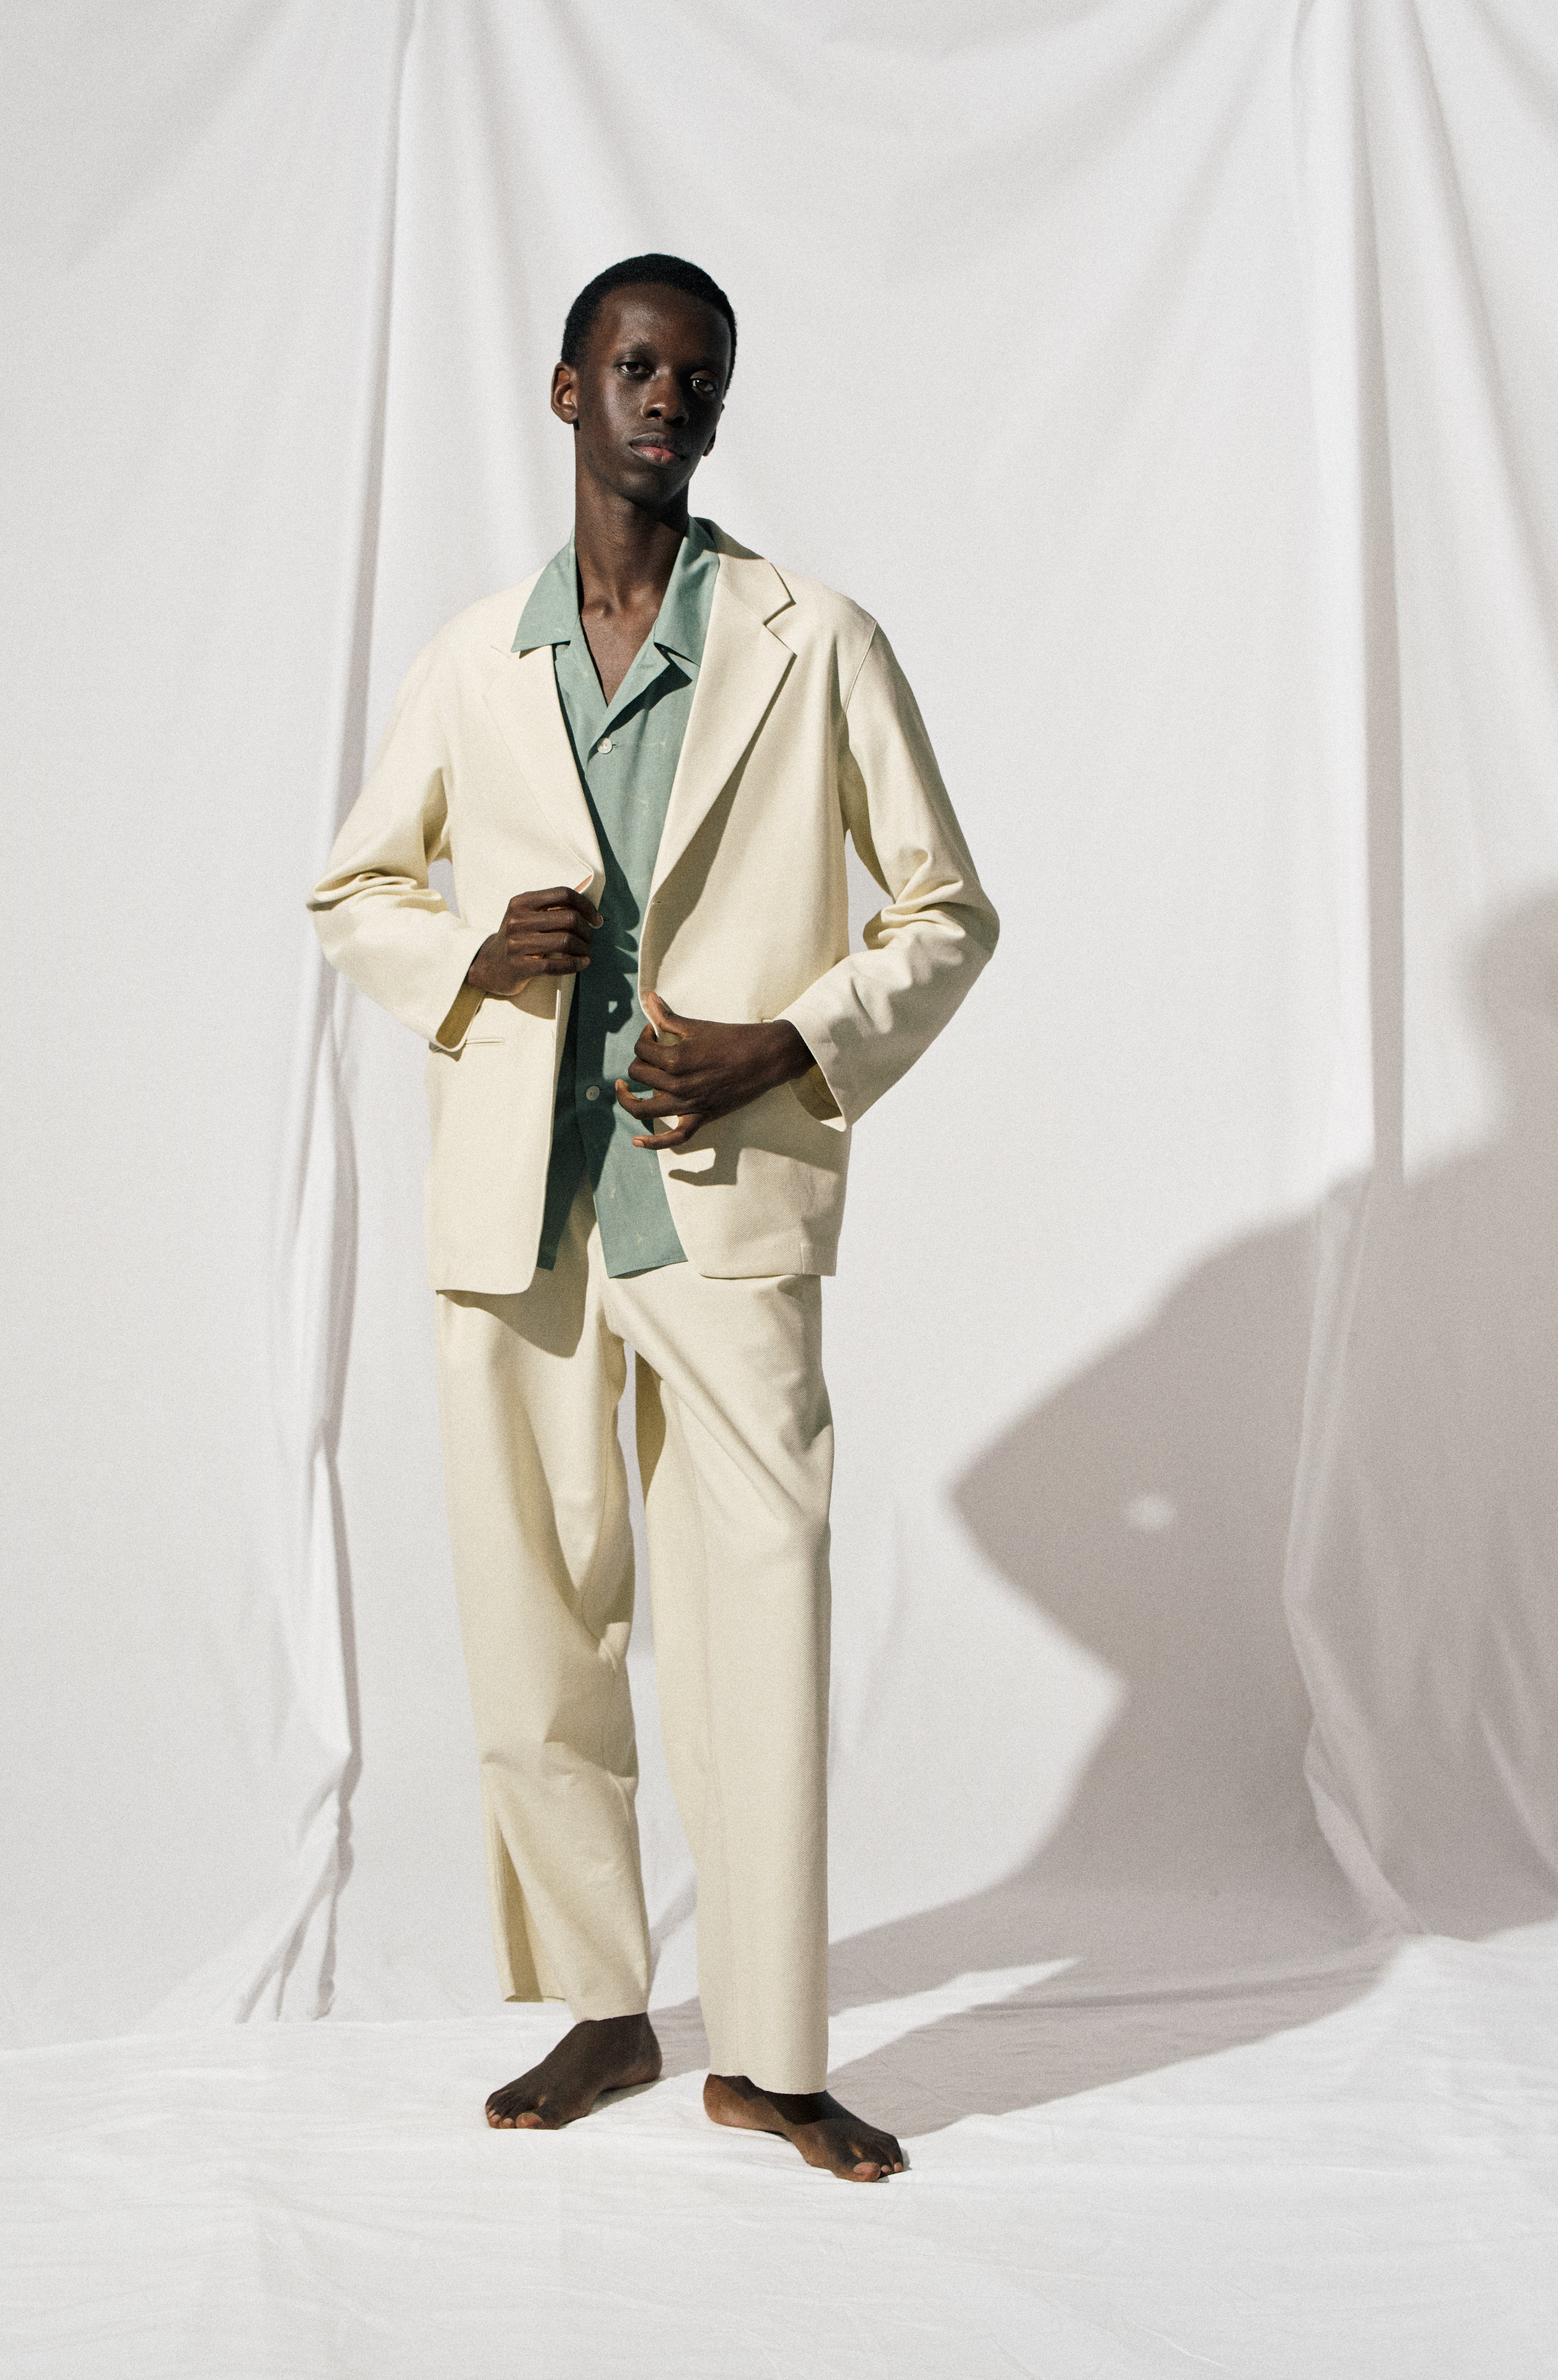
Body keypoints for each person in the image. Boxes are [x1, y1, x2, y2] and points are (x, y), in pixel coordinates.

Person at [308, 253, 997, 2181]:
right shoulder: (476, 659)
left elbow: (946, 910)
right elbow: (351, 891)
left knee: (757, 1614)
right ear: (568, 391)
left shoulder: (815, 640)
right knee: (535, 1626)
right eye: (632, 366)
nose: (664, 400)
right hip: (515, 1215)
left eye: (696, 375)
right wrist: (468, 954)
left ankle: (770, 2054)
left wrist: (792, 1039)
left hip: (723, 1208)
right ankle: (605, 2007)